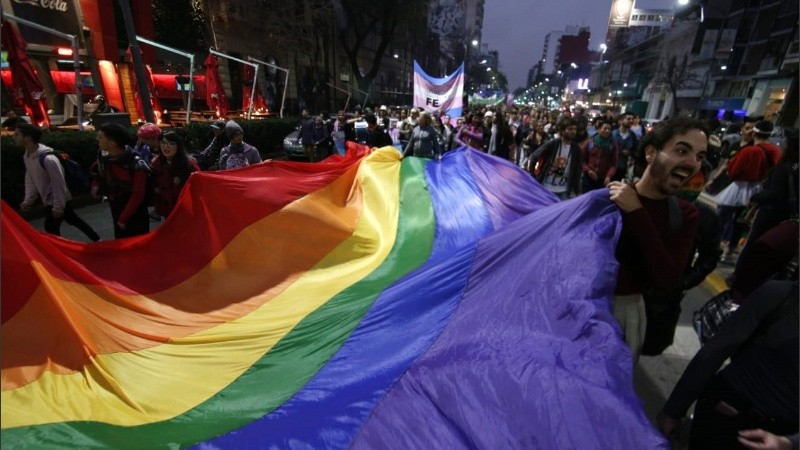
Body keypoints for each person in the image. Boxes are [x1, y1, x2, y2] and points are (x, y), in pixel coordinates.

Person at [608, 118, 708, 361]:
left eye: (700, 156)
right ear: (651, 153)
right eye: (682, 150)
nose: (693, 162)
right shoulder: (610, 200)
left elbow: (667, 277)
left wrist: (637, 213)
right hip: (584, 311)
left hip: (624, 316)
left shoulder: (686, 214)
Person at [657, 278, 798, 449]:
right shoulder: (780, 295)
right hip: (727, 416)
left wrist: (789, 442)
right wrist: (673, 411)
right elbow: (715, 352)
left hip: (782, 432)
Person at [640, 159, 722, 356]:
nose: (689, 186)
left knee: (644, 346)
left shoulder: (706, 217)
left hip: (662, 300)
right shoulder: (646, 201)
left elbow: (709, 259)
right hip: (629, 289)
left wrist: (681, 283)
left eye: (696, 183)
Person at [16, 123, 100, 242]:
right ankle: (96, 240)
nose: (14, 137)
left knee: (51, 227)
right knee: (72, 220)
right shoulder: (27, 156)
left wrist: (58, 206)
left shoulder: (49, 160)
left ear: (28, 138)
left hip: (56, 199)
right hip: (53, 199)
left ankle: (60, 253)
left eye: (17, 134)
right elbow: (30, 179)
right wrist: (28, 200)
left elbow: (59, 184)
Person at [715, 120, 782, 262]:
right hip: (758, 191)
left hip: (738, 189)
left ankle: (713, 247)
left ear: (755, 132)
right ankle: (730, 252)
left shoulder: (749, 151)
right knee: (741, 223)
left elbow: (732, 171)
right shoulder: (776, 151)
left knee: (722, 218)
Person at [90, 122, 150, 239]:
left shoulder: (137, 165)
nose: (97, 139)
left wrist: (123, 218)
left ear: (112, 143)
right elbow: (98, 172)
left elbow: (137, 196)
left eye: (101, 137)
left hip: (135, 214)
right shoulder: (104, 156)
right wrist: (95, 186)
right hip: (116, 208)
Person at [529, 117, 583, 200]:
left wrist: (578, 191)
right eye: (570, 129)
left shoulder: (576, 149)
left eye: (575, 129)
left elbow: (577, 171)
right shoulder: (553, 144)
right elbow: (533, 157)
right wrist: (532, 176)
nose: (573, 132)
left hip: (564, 190)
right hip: (546, 188)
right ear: (562, 130)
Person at [151, 131, 200, 221]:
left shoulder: (189, 165)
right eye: (164, 143)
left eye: (171, 144)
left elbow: (198, 186)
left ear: (178, 146)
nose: (167, 147)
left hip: (184, 211)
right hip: (165, 211)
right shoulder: (156, 163)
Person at [581, 118, 619, 192]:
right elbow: (581, 160)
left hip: (602, 180)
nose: (607, 131)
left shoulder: (613, 145)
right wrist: (589, 171)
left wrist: (609, 176)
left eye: (609, 129)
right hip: (588, 178)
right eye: (605, 128)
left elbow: (614, 164)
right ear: (599, 129)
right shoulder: (590, 142)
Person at [611, 113, 640, 182]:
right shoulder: (613, 134)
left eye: (632, 119)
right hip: (611, 166)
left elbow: (636, 150)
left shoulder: (632, 136)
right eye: (628, 119)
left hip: (623, 167)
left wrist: (630, 152)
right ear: (621, 121)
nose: (631, 121)